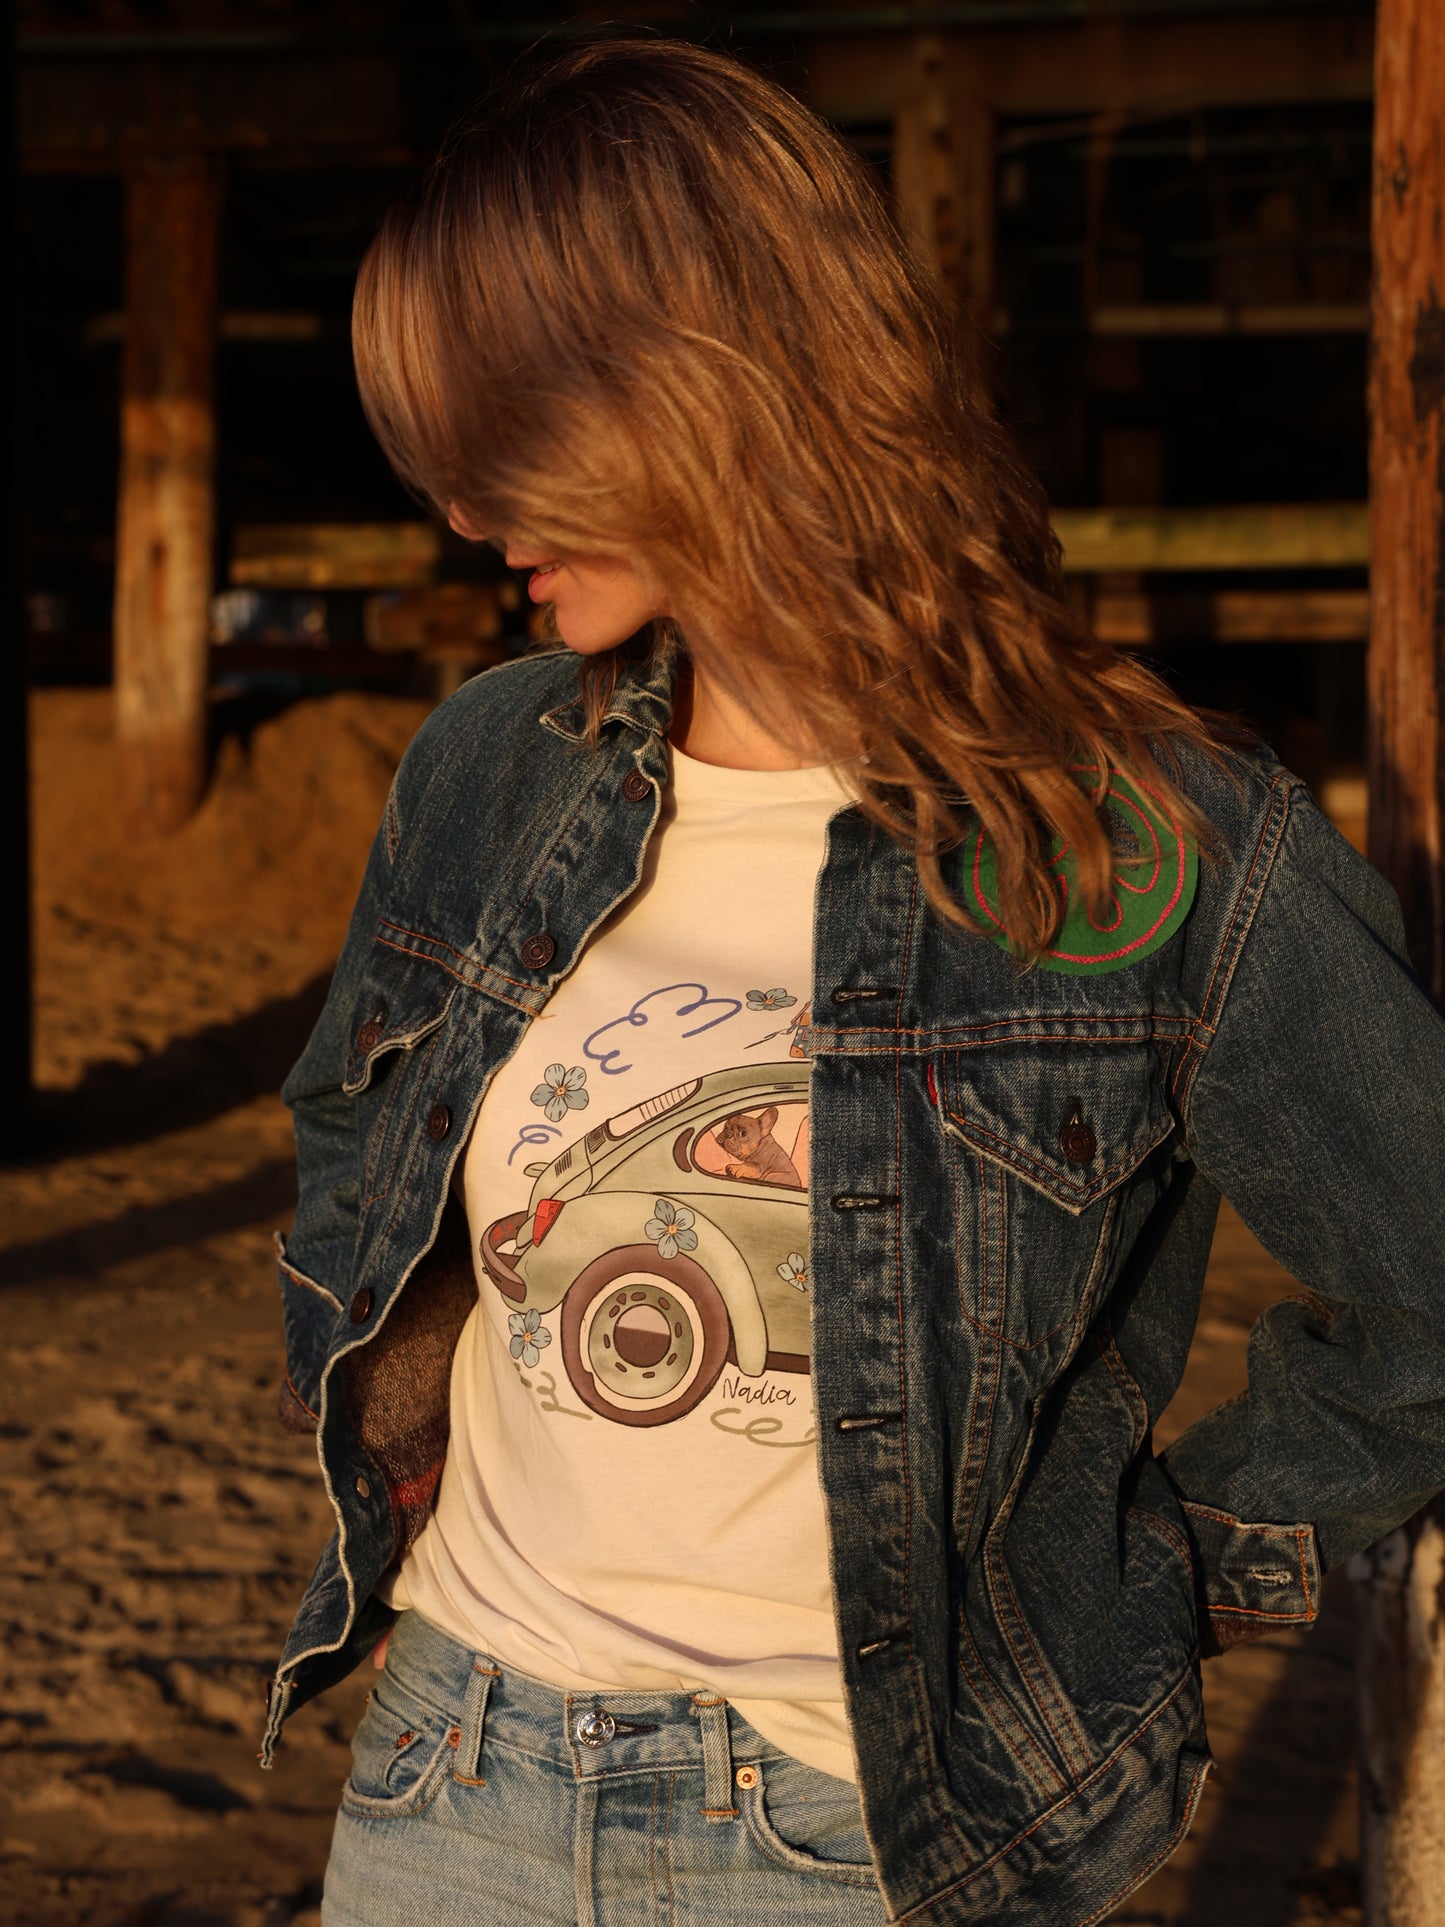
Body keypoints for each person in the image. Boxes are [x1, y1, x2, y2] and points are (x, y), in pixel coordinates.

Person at [262, 34, 1445, 1927]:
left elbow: (1430, 1277)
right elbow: (350, 1126)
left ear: (687, 392)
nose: (464, 520)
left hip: (857, 1841)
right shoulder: (490, 768)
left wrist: (1161, 1566)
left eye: (498, 449)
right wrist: (399, 1456)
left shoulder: (1145, 842)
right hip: (451, 1775)